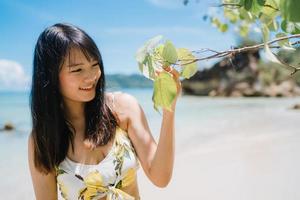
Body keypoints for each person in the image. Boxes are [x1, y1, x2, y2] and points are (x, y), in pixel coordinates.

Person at [28, 23, 181, 200]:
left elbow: (160, 177)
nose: (91, 76)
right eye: (77, 69)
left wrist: (169, 109)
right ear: (50, 76)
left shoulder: (123, 108)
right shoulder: (43, 139)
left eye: (94, 64)